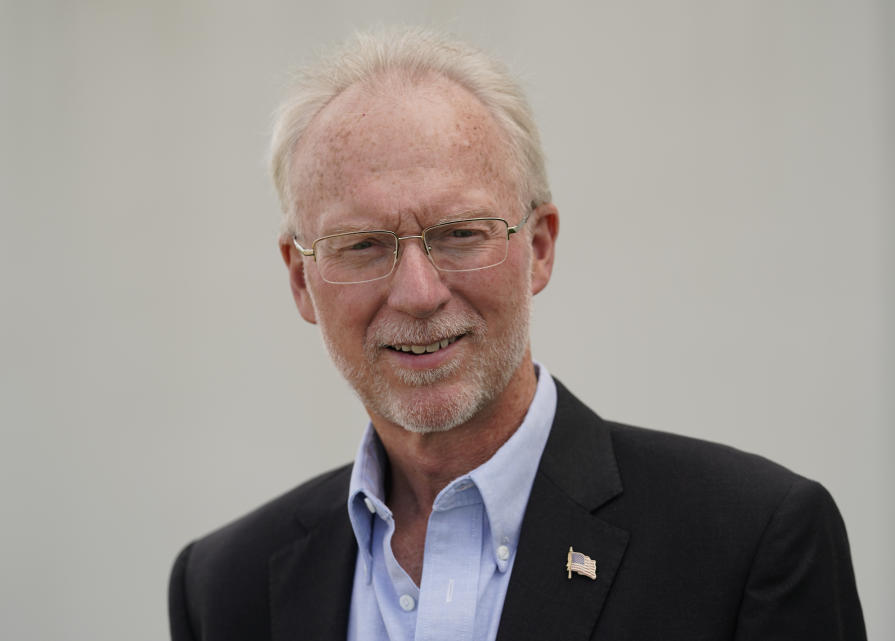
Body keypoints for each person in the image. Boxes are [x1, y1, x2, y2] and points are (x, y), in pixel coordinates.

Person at [168, 27, 865, 641]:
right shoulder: (225, 588)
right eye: (363, 245)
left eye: (459, 234)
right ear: (300, 279)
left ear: (538, 248)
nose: (417, 292)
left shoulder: (746, 544)